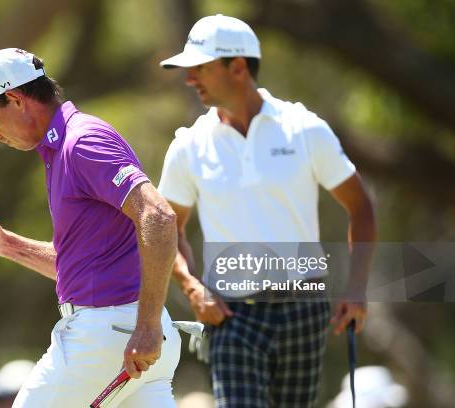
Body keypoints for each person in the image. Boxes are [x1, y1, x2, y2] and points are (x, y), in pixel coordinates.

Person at [158, 14, 376, 408]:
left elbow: (360, 207)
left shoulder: (304, 129)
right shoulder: (189, 146)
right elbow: (166, 229)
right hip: (231, 315)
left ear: (238, 67)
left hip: (304, 307)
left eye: (201, 68)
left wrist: (357, 288)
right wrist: (193, 289)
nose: (191, 80)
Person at [0, 48, 181, 407]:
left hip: (107, 338)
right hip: (132, 338)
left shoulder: (82, 142)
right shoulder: (60, 151)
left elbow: (159, 217)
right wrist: (6, 245)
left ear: (14, 99)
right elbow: (84, 268)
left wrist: (147, 325)